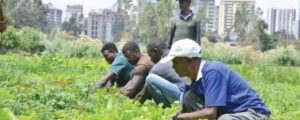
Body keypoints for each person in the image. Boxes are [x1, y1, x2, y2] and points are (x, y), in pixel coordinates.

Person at [160, 39, 271, 120]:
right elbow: (185, 110)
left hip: (253, 114)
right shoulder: (191, 79)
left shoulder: (213, 71)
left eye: (176, 62)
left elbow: (210, 112)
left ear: (189, 61)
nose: (173, 66)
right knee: (189, 97)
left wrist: (181, 117)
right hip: (227, 114)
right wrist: (175, 116)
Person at [134, 38, 187, 107]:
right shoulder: (177, 55)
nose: (151, 59)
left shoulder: (158, 67)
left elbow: (142, 95)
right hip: (193, 97)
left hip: (182, 97)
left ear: (156, 51)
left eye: (150, 55)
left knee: (150, 79)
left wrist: (132, 107)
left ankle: (166, 108)